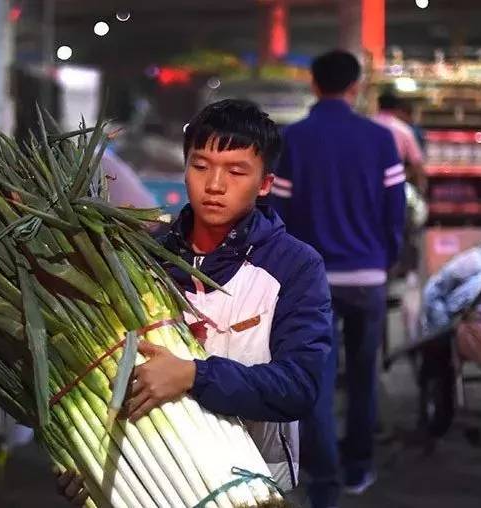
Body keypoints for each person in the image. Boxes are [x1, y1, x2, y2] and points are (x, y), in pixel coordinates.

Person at [57, 99, 333, 504]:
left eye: (236, 171)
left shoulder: (295, 266)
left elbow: (298, 387)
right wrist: (87, 459)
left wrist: (194, 376)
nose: (215, 185)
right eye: (200, 166)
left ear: (265, 184)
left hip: (250, 488)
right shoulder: (141, 260)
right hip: (150, 484)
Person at [269, 49, 406, 507]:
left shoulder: (295, 140)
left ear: (313, 84)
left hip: (314, 282)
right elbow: (396, 210)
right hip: (368, 277)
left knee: (317, 383)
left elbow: (279, 213)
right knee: (365, 376)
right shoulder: (380, 139)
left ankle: (323, 481)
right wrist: (386, 258)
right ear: (356, 87)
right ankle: (359, 468)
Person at [373, 92, 426, 192]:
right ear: (396, 108)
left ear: (378, 105)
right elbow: (416, 163)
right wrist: (421, 187)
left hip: (369, 181)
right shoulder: (404, 130)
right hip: (395, 181)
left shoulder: (366, 127)